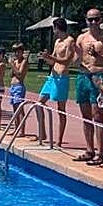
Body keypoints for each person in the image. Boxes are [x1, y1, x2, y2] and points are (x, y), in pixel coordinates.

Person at [73, 8, 103, 164]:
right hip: (83, 77)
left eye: (96, 19)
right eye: (91, 19)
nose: (94, 22)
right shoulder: (81, 38)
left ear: (101, 19)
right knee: (86, 116)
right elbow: (76, 60)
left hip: (98, 76)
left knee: (98, 115)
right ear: (86, 20)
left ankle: (100, 152)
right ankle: (89, 149)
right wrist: (75, 55)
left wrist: (97, 55)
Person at [37, 18, 77, 148]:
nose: (53, 31)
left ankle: (59, 140)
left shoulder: (70, 41)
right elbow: (53, 61)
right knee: (39, 103)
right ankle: (42, 132)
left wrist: (52, 57)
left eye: (54, 28)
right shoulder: (57, 42)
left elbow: (66, 60)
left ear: (57, 28)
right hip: (52, 76)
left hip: (61, 77)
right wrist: (46, 57)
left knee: (61, 109)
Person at [9, 43, 30, 138]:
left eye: (19, 51)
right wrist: (12, 65)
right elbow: (11, 74)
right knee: (14, 109)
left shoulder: (24, 62)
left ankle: (22, 130)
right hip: (12, 86)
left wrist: (12, 65)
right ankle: (16, 128)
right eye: (15, 52)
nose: (17, 53)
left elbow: (20, 75)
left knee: (19, 109)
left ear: (22, 52)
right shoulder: (16, 61)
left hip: (19, 86)